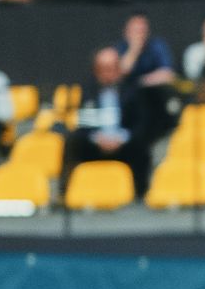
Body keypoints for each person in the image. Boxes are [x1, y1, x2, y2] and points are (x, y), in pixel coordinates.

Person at [64, 46, 150, 196]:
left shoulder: (132, 91)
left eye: (112, 68)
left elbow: (140, 124)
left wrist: (121, 138)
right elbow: (84, 125)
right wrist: (97, 138)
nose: (108, 73)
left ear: (118, 69)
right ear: (96, 70)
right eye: (103, 69)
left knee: (142, 146)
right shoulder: (88, 92)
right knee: (73, 142)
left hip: (123, 145)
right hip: (96, 145)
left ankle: (140, 196)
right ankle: (64, 193)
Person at [116, 13, 176, 151]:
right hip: (127, 108)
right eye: (135, 31)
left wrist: (140, 82)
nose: (139, 35)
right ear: (126, 32)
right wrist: (134, 50)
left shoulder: (157, 46)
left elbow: (167, 74)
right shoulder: (121, 48)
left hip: (154, 106)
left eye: (142, 31)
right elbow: (121, 72)